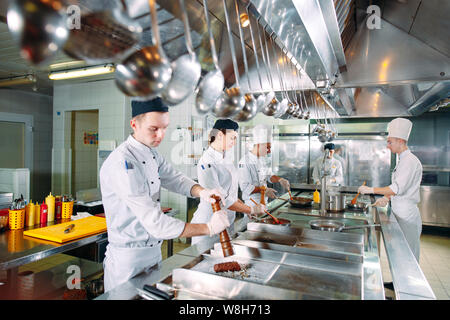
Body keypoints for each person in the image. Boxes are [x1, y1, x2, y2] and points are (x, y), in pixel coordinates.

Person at [100, 98, 231, 292]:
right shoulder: (122, 162)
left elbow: (174, 178)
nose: (161, 135)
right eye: (154, 129)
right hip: (128, 260)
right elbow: (156, 223)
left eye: (164, 128)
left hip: (153, 253)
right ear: (134, 124)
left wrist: (203, 191)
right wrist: (209, 228)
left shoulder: (152, 153)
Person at [190, 119, 266, 245]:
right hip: (210, 222)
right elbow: (221, 199)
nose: (234, 143)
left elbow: (230, 192)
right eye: (232, 138)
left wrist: (243, 207)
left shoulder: (225, 156)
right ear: (220, 135)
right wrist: (250, 210)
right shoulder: (207, 161)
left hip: (227, 220)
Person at [357, 118, 422, 262]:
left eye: (390, 141)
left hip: (407, 216)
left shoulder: (410, 161)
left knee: (409, 254)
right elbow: (401, 187)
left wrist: (370, 190)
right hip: (399, 212)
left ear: (400, 141)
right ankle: (397, 284)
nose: (387, 146)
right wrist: (387, 198)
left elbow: (397, 188)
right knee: (399, 251)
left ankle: (407, 285)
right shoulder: (402, 160)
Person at [238, 124, 291, 208]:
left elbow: (269, 176)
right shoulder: (244, 162)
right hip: (252, 204)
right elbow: (245, 187)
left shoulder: (262, 159)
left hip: (265, 201)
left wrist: (280, 179)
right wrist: (264, 190)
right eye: (267, 147)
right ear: (259, 145)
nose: (269, 151)